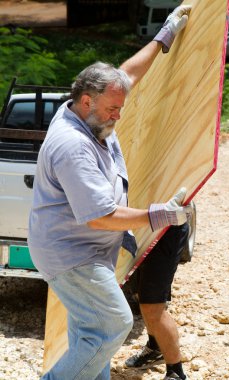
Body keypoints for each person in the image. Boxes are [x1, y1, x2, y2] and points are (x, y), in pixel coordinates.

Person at [28, 4, 192, 380]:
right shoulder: (73, 145)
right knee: (115, 323)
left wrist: (162, 38)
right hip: (72, 255)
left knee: (91, 334)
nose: (119, 115)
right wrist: (158, 215)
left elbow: (127, 73)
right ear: (88, 101)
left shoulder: (86, 110)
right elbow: (101, 215)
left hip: (85, 249)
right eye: (113, 109)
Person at [124, 223, 189, 380]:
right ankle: (155, 347)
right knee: (141, 296)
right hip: (140, 229)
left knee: (153, 306)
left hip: (164, 230)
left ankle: (176, 373)